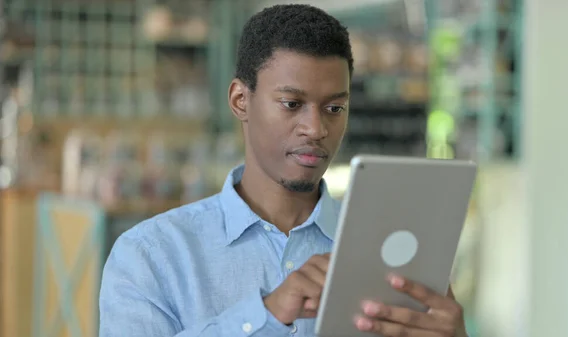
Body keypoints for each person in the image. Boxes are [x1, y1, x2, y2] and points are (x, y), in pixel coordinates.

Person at [99, 4, 469, 337]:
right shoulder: (151, 255)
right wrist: (267, 315)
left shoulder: (390, 255)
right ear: (240, 100)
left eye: (334, 108)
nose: (316, 128)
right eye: (292, 104)